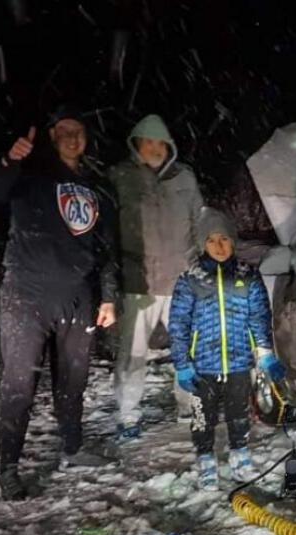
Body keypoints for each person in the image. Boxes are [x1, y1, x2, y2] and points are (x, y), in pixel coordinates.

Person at [0, 105, 119, 501]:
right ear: (51, 136)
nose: (72, 137)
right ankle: (9, 466)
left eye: (78, 130)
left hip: (77, 295)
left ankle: (72, 449)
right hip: (26, 292)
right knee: (20, 383)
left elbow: (106, 248)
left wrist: (108, 295)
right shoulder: (30, 175)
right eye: (63, 130)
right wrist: (9, 160)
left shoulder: (98, 189)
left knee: (73, 379)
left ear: (86, 138)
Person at [168, 208, 286, 489]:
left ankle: (240, 454)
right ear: (202, 244)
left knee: (238, 414)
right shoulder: (190, 279)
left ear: (233, 241)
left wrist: (266, 355)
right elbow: (178, 324)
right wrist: (182, 364)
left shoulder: (249, 276)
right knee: (202, 417)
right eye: (211, 240)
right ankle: (206, 458)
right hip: (201, 365)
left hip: (238, 362)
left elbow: (259, 318)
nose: (219, 246)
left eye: (224, 239)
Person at [109, 114, 204, 441]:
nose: (153, 148)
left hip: (181, 279)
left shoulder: (184, 178)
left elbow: (200, 222)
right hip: (140, 282)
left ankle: (189, 405)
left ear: (168, 145)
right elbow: (106, 228)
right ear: (136, 144)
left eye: (159, 142)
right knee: (132, 356)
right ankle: (127, 416)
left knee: (187, 350)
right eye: (146, 141)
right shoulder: (120, 177)